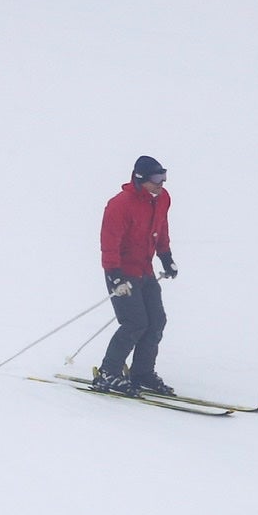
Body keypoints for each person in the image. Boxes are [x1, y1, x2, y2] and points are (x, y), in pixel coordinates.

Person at [93, 155, 179, 397]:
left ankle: (141, 372)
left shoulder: (162, 199)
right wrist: (115, 276)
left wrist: (166, 257)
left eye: (164, 177)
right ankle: (108, 373)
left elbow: (161, 229)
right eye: (156, 178)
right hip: (121, 272)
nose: (161, 183)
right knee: (134, 323)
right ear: (140, 178)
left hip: (145, 271)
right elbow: (109, 243)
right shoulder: (119, 205)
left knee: (156, 321)